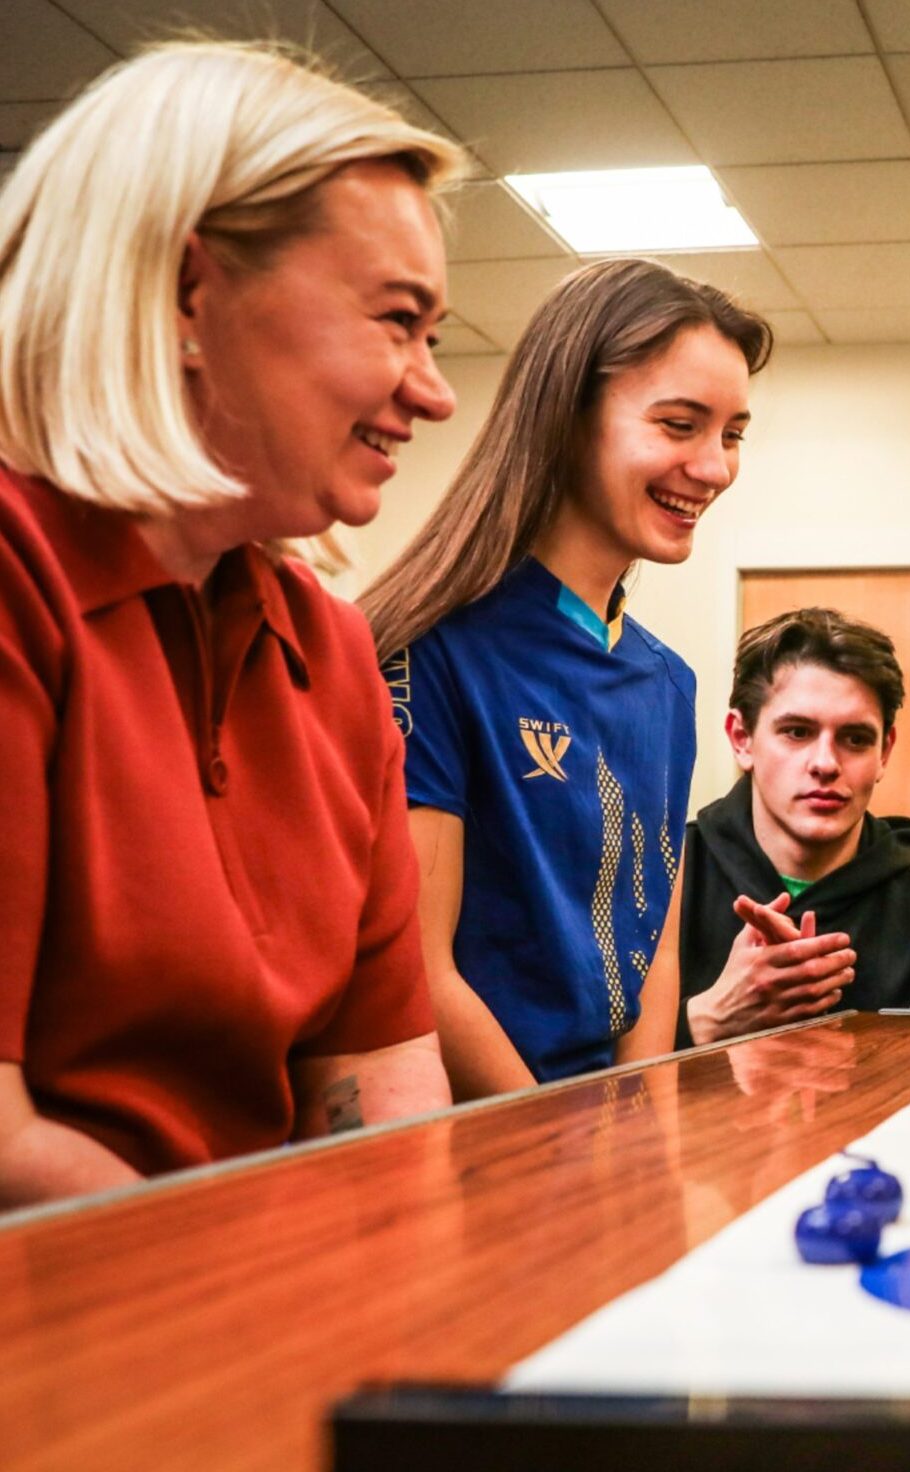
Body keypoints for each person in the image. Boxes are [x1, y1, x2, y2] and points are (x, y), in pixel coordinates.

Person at [0, 44, 461, 1202]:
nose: (434, 388)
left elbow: (384, 1095)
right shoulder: (20, 576)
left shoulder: (332, 647)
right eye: (398, 321)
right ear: (189, 293)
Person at [360, 260, 772, 1097]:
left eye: (730, 435)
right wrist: (560, 1141)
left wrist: (644, 1129)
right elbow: (417, 971)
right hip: (478, 1139)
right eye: (678, 424)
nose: (715, 468)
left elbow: (651, 945)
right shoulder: (431, 648)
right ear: (567, 418)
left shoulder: (667, 682)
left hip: (603, 1146)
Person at [674, 606, 910, 1046]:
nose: (825, 763)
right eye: (797, 732)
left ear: (884, 752)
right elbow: (585, 1072)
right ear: (741, 739)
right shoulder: (662, 882)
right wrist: (705, 1021)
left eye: (856, 739)